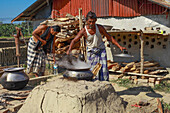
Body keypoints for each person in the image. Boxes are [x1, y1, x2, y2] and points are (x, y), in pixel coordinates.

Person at [66, 11, 126, 81]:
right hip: (91, 52)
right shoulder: (84, 31)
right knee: (93, 71)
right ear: (86, 21)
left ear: (96, 20)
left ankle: (104, 85)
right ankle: (94, 86)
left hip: (101, 50)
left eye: (93, 21)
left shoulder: (99, 28)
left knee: (104, 70)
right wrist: (69, 49)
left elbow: (109, 37)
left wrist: (120, 46)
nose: (91, 23)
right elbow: (74, 40)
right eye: (90, 21)